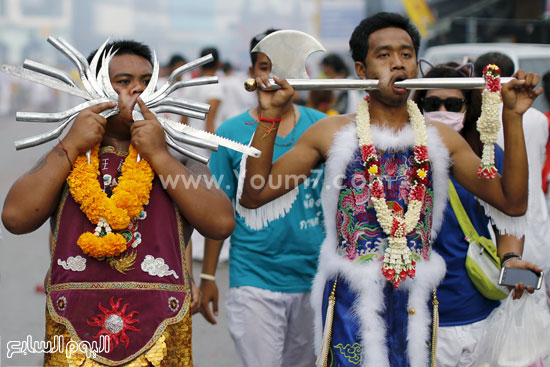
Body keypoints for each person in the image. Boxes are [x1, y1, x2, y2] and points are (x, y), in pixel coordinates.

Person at [239, 12, 540, 367]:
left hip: (418, 300)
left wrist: (513, 117)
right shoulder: (331, 133)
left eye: (407, 54)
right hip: (352, 300)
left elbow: (512, 202)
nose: (398, 63)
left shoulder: (440, 138)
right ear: (361, 71)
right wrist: (270, 115)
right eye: (384, 55)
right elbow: (256, 193)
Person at [1, 40, 235, 366]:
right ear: (93, 90)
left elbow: (221, 223)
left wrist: (158, 154)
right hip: (75, 330)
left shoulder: (179, 155)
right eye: (123, 82)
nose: (137, 90)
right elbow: (15, 218)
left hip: (160, 331)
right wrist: (69, 145)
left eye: (146, 81)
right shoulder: (68, 154)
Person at [198, 29, 327, 367]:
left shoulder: (323, 129)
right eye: (265, 66)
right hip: (253, 277)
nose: (273, 76)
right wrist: (208, 276)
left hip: (315, 280)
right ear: (253, 74)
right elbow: (218, 207)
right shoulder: (230, 132)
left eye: (285, 66)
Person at [412, 62, 542, 367]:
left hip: (482, 313)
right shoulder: (400, 157)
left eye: (452, 104)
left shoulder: (486, 155)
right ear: (418, 107)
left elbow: (508, 217)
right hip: (421, 319)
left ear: (468, 108)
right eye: (432, 104)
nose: (442, 110)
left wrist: (511, 260)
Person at [474, 52, 550, 308]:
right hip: (530, 214)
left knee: (499, 292)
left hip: (498, 218)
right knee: (532, 296)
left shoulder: (477, 118)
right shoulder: (538, 118)